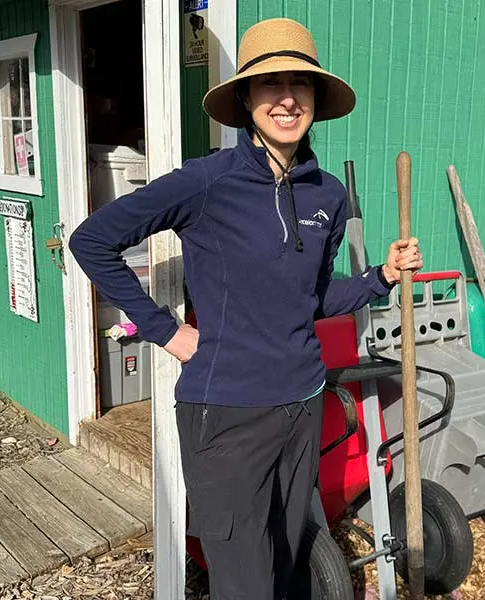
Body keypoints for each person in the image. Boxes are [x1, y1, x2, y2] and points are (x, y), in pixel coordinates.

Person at [68, 16, 423, 600]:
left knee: (285, 564)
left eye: (300, 85)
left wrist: (380, 276)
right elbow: (92, 242)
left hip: (303, 406)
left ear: (316, 100)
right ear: (246, 99)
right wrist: (166, 331)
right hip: (227, 414)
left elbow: (311, 299)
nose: (286, 99)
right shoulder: (206, 183)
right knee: (243, 582)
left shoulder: (326, 194)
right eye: (269, 85)